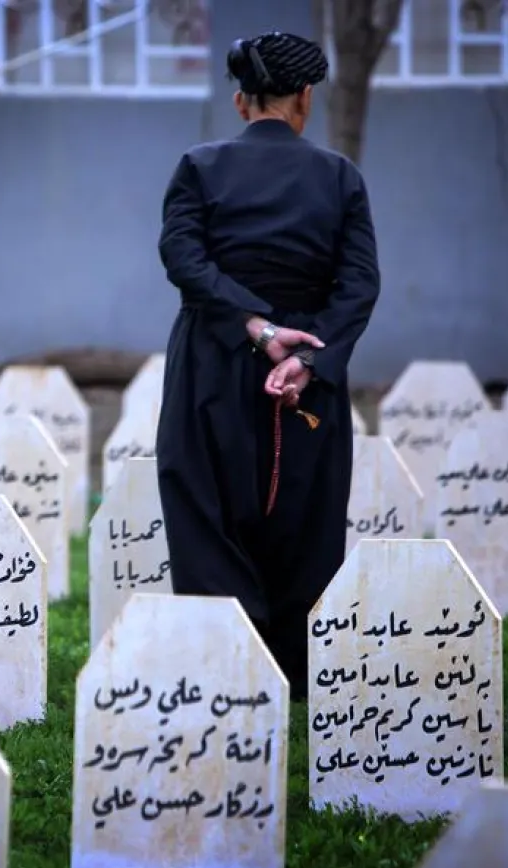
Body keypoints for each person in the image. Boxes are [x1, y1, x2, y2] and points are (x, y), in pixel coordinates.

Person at [154, 31, 381, 699]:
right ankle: (295, 678)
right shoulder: (341, 178)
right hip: (307, 380)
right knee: (302, 519)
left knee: (207, 514)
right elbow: (359, 285)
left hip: (212, 368)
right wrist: (312, 358)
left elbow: (183, 260)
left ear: (240, 100)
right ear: (305, 99)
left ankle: (227, 674)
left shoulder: (198, 167)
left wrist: (256, 325)